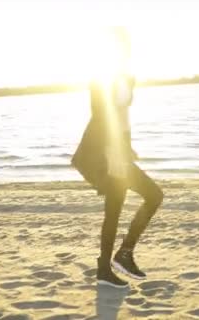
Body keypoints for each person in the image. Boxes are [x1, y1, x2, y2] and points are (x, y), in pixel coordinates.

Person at [71, 28, 163, 288]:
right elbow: (102, 115)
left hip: (118, 149)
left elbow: (122, 114)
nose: (126, 50)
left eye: (128, 45)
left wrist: (128, 145)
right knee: (152, 196)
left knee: (116, 209)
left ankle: (108, 266)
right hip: (106, 151)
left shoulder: (125, 76)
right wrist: (117, 149)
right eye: (121, 45)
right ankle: (121, 256)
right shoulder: (101, 77)